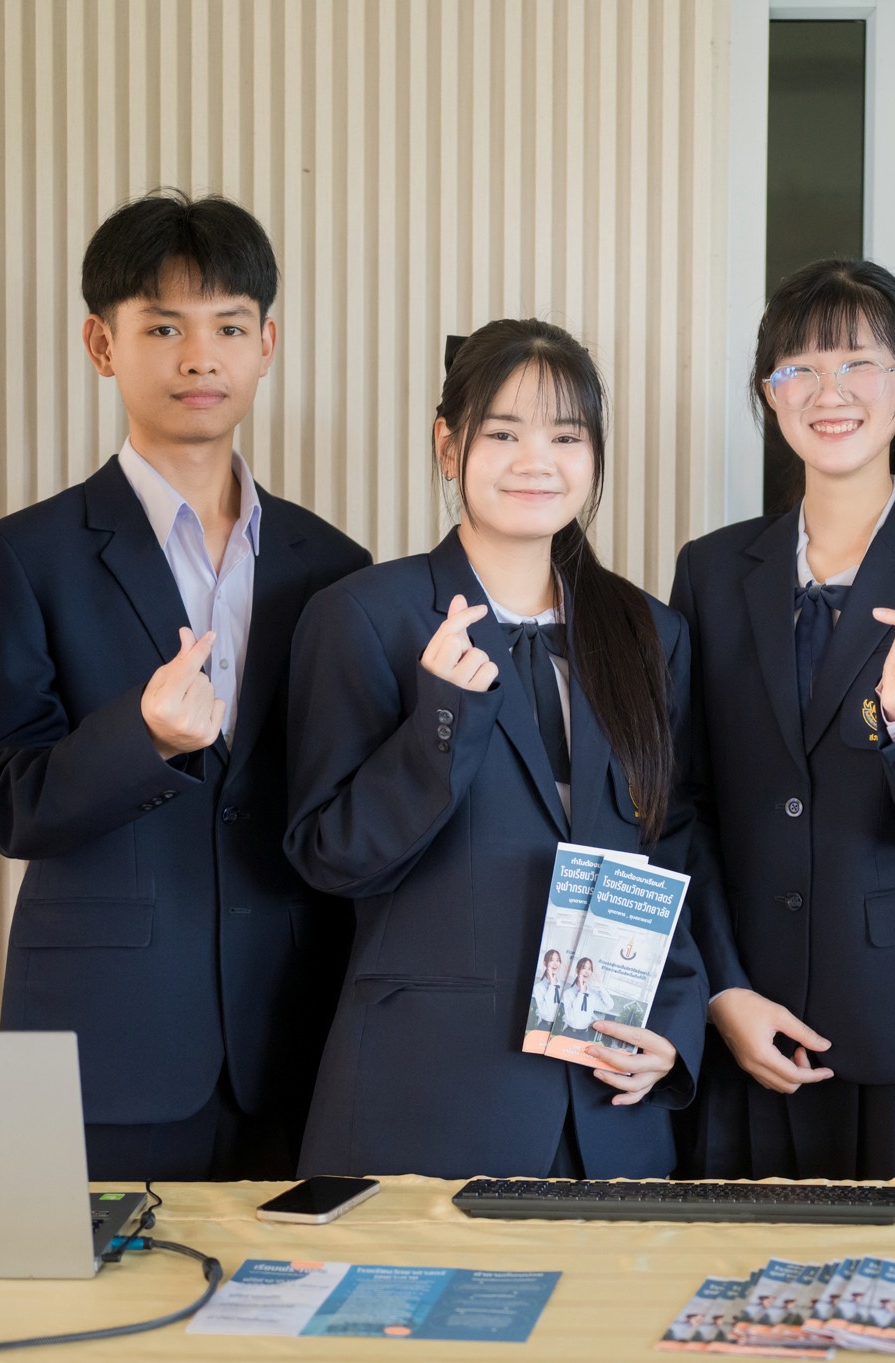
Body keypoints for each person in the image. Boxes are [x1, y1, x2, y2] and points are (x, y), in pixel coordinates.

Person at [0, 191, 370, 1180]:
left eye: (228, 326)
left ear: (266, 344)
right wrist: (140, 738)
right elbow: (6, 801)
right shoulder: (24, 555)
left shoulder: (335, 565)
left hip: (297, 1036)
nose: (200, 357)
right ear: (102, 345)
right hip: (110, 1039)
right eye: (162, 328)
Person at [283, 319, 708, 1179]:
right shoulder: (363, 615)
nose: (536, 461)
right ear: (449, 446)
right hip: (427, 1101)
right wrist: (441, 720)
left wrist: (672, 1027)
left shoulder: (648, 632)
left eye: (566, 436)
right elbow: (328, 855)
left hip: (610, 1110)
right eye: (504, 433)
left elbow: (667, 847)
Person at [672, 258, 895, 1181]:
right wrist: (721, 987)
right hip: (750, 1027)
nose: (829, 393)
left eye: (859, 363)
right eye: (800, 368)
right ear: (770, 393)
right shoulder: (711, 571)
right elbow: (685, 803)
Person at [559, 956, 614, 1041]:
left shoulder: (592, 994)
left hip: (584, 1035)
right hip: (569, 1034)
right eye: (584, 968)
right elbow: (571, 1018)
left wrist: (601, 987)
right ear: (577, 970)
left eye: (589, 969)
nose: (587, 972)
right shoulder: (568, 993)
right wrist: (581, 993)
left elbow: (609, 1006)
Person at [527, 948, 566, 1031]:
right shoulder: (539, 987)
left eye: (558, 960)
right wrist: (552, 985)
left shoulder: (562, 986)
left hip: (558, 1028)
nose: (555, 964)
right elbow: (544, 1012)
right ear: (545, 963)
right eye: (552, 960)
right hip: (544, 1026)